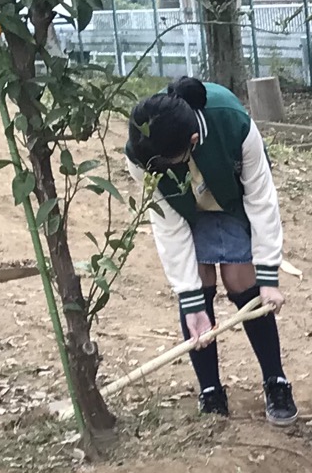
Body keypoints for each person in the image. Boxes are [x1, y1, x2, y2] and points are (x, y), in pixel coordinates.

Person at [126, 77, 296, 426]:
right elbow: (167, 226)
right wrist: (190, 302)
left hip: (231, 199)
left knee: (240, 279)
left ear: (192, 141)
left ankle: (275, 380)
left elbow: (261, 200)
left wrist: (268, 276)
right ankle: (211, 391)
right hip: (184, 208)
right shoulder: (142, 149)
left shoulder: (233, 122)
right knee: (199, 284)